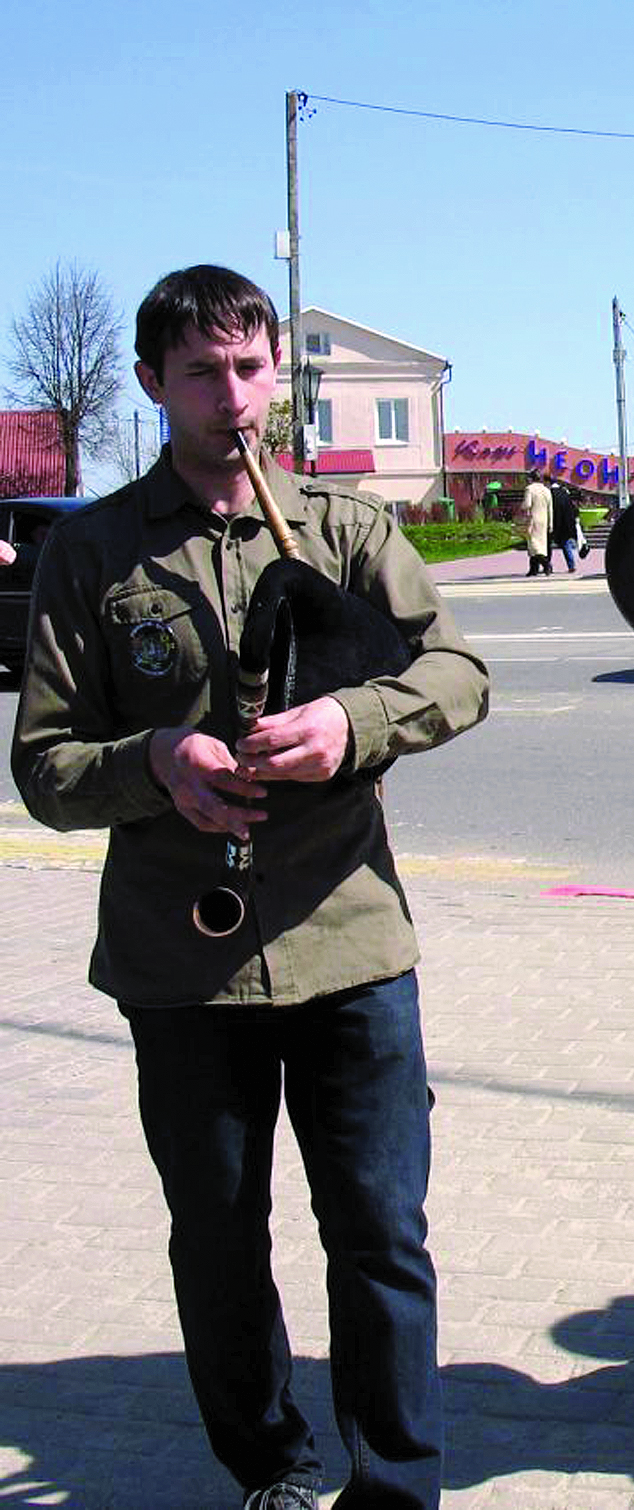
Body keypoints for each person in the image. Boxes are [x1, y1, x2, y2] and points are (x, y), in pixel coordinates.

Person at [9, 265, 490, 1509]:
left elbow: (459, 676)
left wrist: (352, 719)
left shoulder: (345, 529)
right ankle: (270, 1463)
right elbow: (47, 767)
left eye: (251, 369)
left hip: (349, 942)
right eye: (202, 374)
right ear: (152, 384)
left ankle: (396, 1482)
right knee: (219, 1238)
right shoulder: (91, 550)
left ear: (277, 374)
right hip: (183, 960)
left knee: (381, 1232)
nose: (233, 398)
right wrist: (155, 762)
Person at [522, 469, 553, 575]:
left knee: (534, 545)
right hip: (544, 520)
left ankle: (546, 564)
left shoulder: (529, 489)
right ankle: (533, 569)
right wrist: (550, 523)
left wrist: (522, 506)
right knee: (541, 545)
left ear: (531, 478)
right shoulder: (546, 490)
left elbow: (527, 505)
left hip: (533, 519)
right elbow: (550, 509)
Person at [549, 475, 581, 572]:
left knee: (547, 545)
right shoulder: (564, 492)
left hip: (553, 522)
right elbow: (571, 508)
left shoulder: (549, 493)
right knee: (566, 545)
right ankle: (571, 565)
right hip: (565, 524)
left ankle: (548, 566)